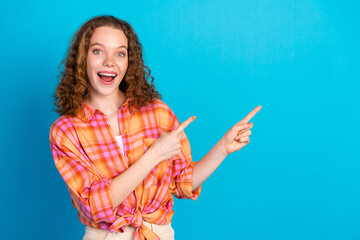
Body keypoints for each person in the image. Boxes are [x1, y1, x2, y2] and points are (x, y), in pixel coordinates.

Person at [49, 15, 261, 240]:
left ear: (129, 61)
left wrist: (223, 148)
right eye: (98, 51)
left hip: (158, 233)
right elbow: (97, 204)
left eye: (120, 53)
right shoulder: (66, 130)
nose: (109, 62)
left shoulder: (157, 112)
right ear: (83, 58)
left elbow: (182, 182)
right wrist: (155, 154)